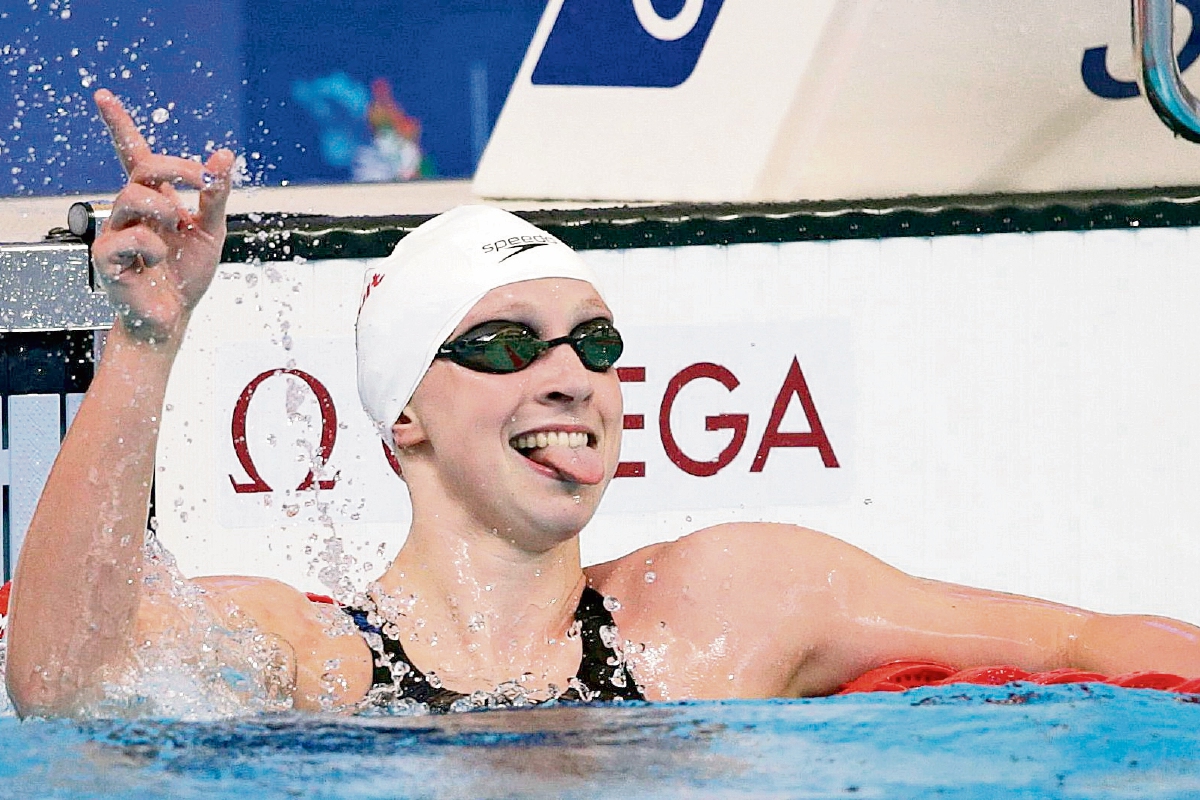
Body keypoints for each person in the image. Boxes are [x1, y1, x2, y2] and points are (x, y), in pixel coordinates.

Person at [8, 90, 1200, 718]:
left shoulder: (721, 605)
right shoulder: (314, 658)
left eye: (595, 339)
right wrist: (147, 342)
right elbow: (58, 680)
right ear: (404, 414)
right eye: (509, 342)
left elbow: (1075, 647)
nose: (571, 371)